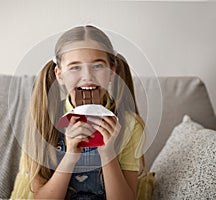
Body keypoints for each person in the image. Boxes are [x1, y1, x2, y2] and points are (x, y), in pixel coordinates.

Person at [10, 25, 146, 200]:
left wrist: (108, 153)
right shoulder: (43, 121)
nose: (87, 76)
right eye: (75, 67)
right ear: (59, 75)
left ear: (112, 72)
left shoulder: (129, 125)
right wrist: (70, 156)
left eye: (97, 65)